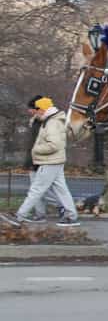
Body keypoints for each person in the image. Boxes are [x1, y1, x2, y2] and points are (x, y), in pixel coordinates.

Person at [0, 96, 80, 228]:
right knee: (61, 190)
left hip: (49, 161)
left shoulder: (52, 123)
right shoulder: (51, 120)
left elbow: (54, 145)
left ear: (42, 110)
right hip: (55, 161)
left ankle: (19, 217)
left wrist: (36, 149)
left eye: (37, 110)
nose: (35, 113)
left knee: (36, 190)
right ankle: (72, 216)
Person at [21, 95, 63, 223]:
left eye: (31, 108)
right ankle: (42, 213)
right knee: (38, 189)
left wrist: (36, 157)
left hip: (40, 159)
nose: (29, 111)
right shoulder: (36, 121)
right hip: (34, 159)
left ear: (38, 108)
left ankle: (60, 206)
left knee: (38, 190)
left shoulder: (44, 122)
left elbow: (45, 143)